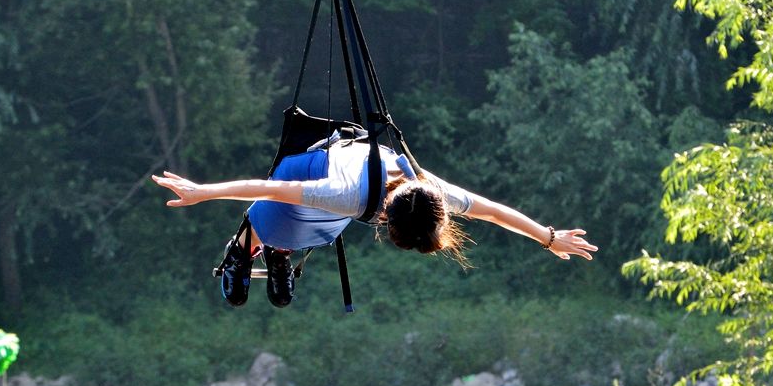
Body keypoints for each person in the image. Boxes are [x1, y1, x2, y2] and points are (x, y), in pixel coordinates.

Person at [152, 132, 597, 307]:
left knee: (325, 229)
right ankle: (243, 247)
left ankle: (281, 251)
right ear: (387, 217)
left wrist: (548, 236)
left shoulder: (431, 191)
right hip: (305, 171)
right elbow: (269, 187)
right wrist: (201, 192)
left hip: (344, 196)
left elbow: (494, 212)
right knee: (287, 220)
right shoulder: (348, 195)